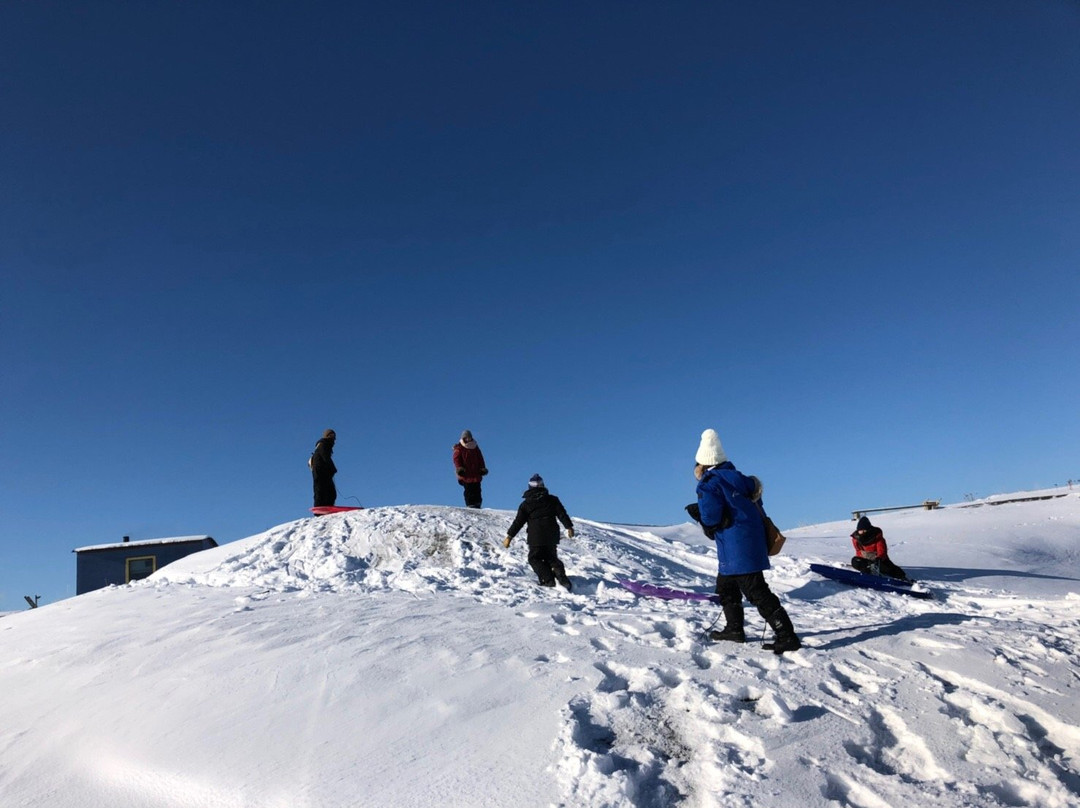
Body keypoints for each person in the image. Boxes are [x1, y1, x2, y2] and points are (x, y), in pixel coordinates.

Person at [687, 429, 801, 654]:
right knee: (726, 586)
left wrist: (698, 512)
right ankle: (734, 629)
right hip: (748, 543)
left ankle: (787, 635)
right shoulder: (741, 480)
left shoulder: (709, 484)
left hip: (736, 548)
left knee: (757, 592)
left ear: (702, 464)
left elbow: (711, 518)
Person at [503, 474, 575, 590]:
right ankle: (561, 577)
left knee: (534, 558)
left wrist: (509, 536)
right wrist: (569, 527)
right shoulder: (553, 500)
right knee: (551, 557)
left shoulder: (526, 504)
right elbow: (562, 514)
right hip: (552, 534)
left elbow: (518, 522)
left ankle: (548, 580)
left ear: (529, 487)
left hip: (536, 536)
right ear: (543, 486)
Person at [850, 516, 910, 581]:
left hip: (879, 560)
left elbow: (882, 551)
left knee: (889, 569)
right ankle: (868, 572)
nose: (863, 532)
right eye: (861, 530)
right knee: (855, 561)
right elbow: (858, 551)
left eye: (865, 530)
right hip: (867, 561)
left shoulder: (877, 537)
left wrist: (879, 559)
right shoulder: (856, 539)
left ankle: (902, 577)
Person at [453, 429, 488, 508]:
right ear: (464, 438)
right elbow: (456, 459)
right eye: (466, 437)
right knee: (469, 489)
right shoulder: (459, 448)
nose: (468, 439)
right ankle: (470, 504)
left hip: (475, 472)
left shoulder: (475, 447)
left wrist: (482, 468)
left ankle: (478, 503)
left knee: (477, 489)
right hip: (466, 473)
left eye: (469, 437)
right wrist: (459, 468)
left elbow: (480, 458)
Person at [310, 428, 338, 507]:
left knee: (330, 490)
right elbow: (325, 457)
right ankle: (319, 507)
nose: (334, 439)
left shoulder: (325, 445)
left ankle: (327, 506)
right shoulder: (323, 444)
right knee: (320, 489)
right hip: (320, 470)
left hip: (324, 471)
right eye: (332, 436)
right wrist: (333, 469)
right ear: (328, 436)